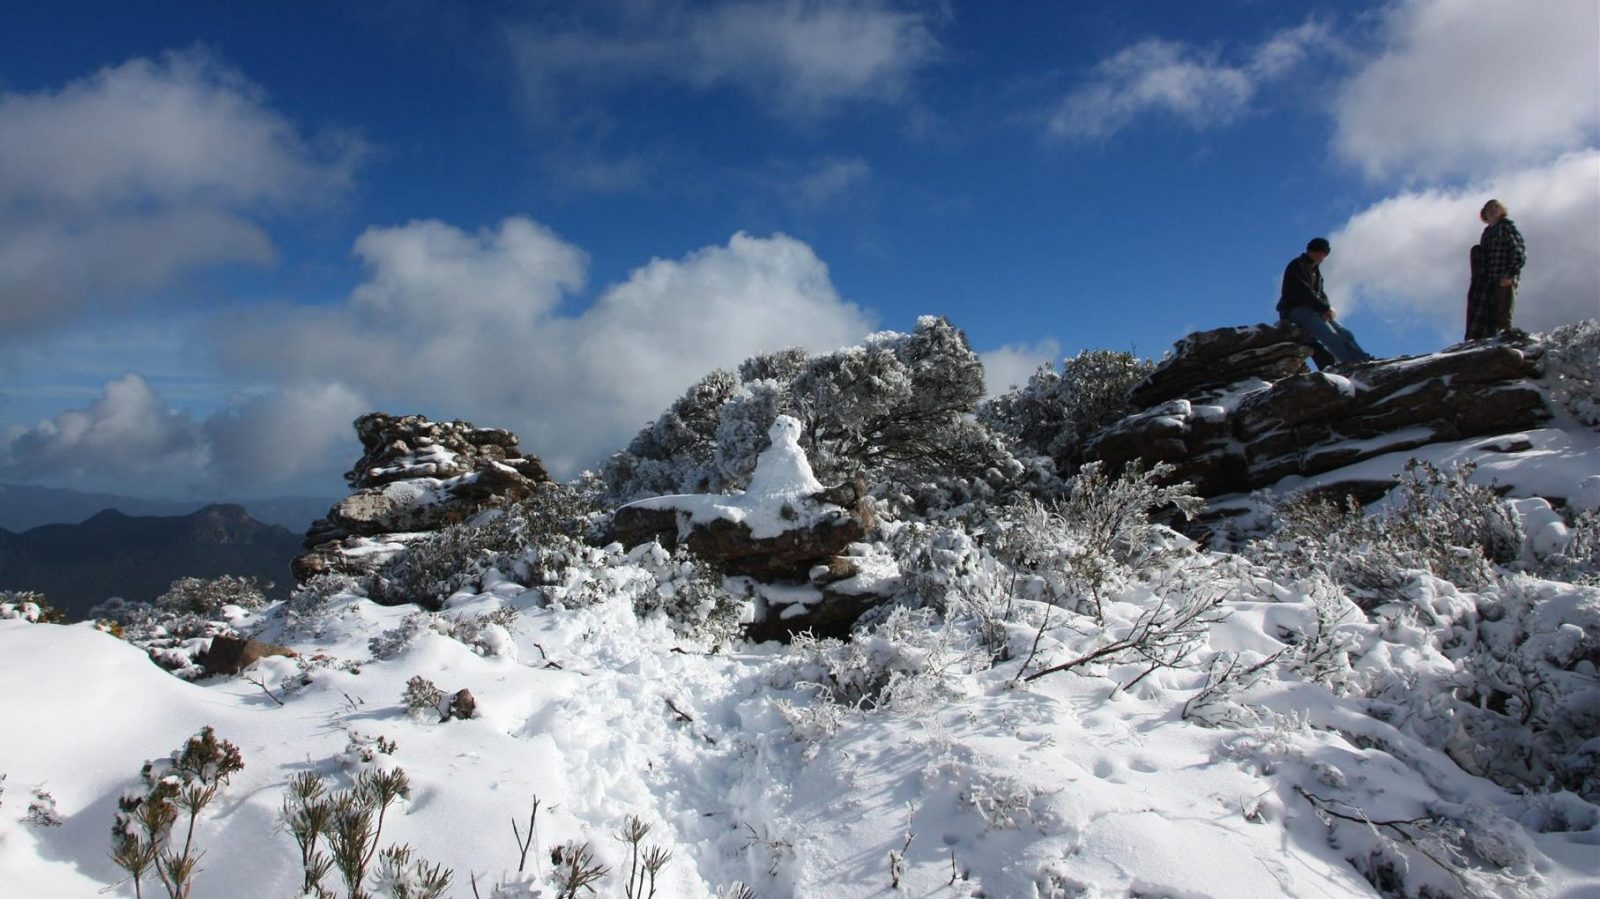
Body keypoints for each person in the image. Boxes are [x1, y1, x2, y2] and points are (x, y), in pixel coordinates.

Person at [1276, 237, 1372, 368]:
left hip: (1313, 308)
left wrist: (1327, 309)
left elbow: (1321, 293)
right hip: (1294, 310)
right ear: (1315, 251)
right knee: (1329, 333)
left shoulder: (1316, 271)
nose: (1324, 257)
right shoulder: (1297, 265)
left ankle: (1361, 358)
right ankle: (1348, 362)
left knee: (1343, 332)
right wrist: (1323, 308)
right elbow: (1303, 291)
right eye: (1323, 253)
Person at [1467, 199, 1526, 339]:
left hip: (1504, 276)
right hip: (1489, 279)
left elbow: (1519, 250)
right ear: (1484, 214)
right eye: (1489, 208)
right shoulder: (1486, 233)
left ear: (1502, 211)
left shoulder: (1506, 227)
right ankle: (1491, 341)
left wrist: (1510, 273)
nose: (1493, 210)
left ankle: (1506, 341)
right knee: (1489, 315)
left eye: (1496, 207)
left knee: (1503, 314)